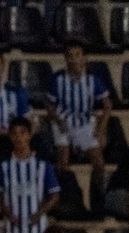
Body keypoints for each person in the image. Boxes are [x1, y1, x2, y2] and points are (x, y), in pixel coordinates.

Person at [48, 40, 111, 207]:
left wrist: (100, 129)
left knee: (99, 164)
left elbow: (107, 105)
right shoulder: (58, 79)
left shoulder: (93, 80)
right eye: (70, 56)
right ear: (65, 59)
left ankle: (97, 201)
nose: (73, 59)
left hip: (85, 123)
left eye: (77, 55)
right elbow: (49, 105)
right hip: (63, 122)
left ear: (84, 58)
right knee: (63, 161)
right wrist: (57, 120)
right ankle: (69, 199)